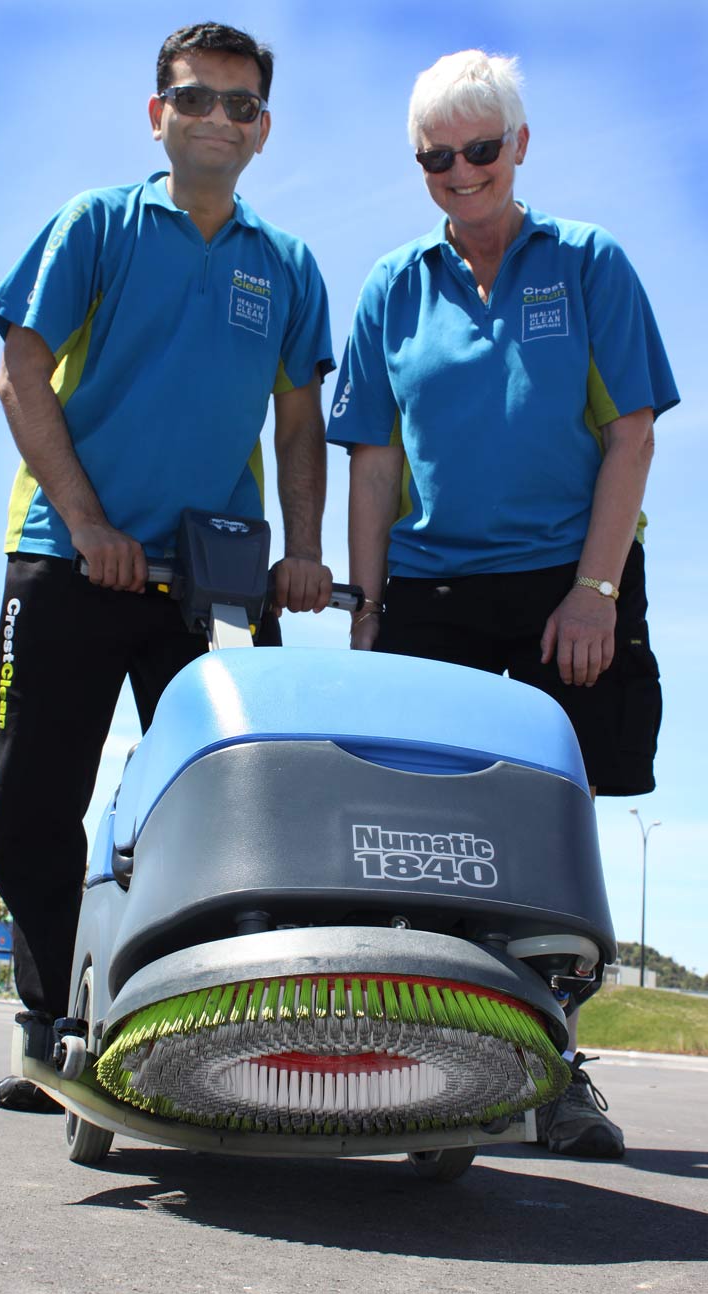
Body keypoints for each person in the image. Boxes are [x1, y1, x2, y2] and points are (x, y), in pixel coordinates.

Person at [327, 49, 679, 1158]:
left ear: (518, 147)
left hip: (562, 580)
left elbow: (630, 432)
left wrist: (592, 589)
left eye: (480, 148)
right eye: (435, 156)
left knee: (545, 832)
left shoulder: (586, 264)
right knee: (419, 834)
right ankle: (440, 1068)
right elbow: (373, 463)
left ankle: (555, 1072)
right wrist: (366, 611)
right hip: (431, 586)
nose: (460, 171)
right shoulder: (391, 285)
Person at [0, 22, 335, 1111]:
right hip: (67, 559)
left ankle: (227, 1025)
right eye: (195, 98)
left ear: (262, 131)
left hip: (215, 581)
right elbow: (19, 376)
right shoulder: (95, 225)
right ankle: (55, 1025)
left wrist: (307, 552)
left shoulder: (283, 267)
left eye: (239, 104)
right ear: (158, 115)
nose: (216, 118)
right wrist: (87, 521)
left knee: (248, 803)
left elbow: (295, 425)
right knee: (34, 804)